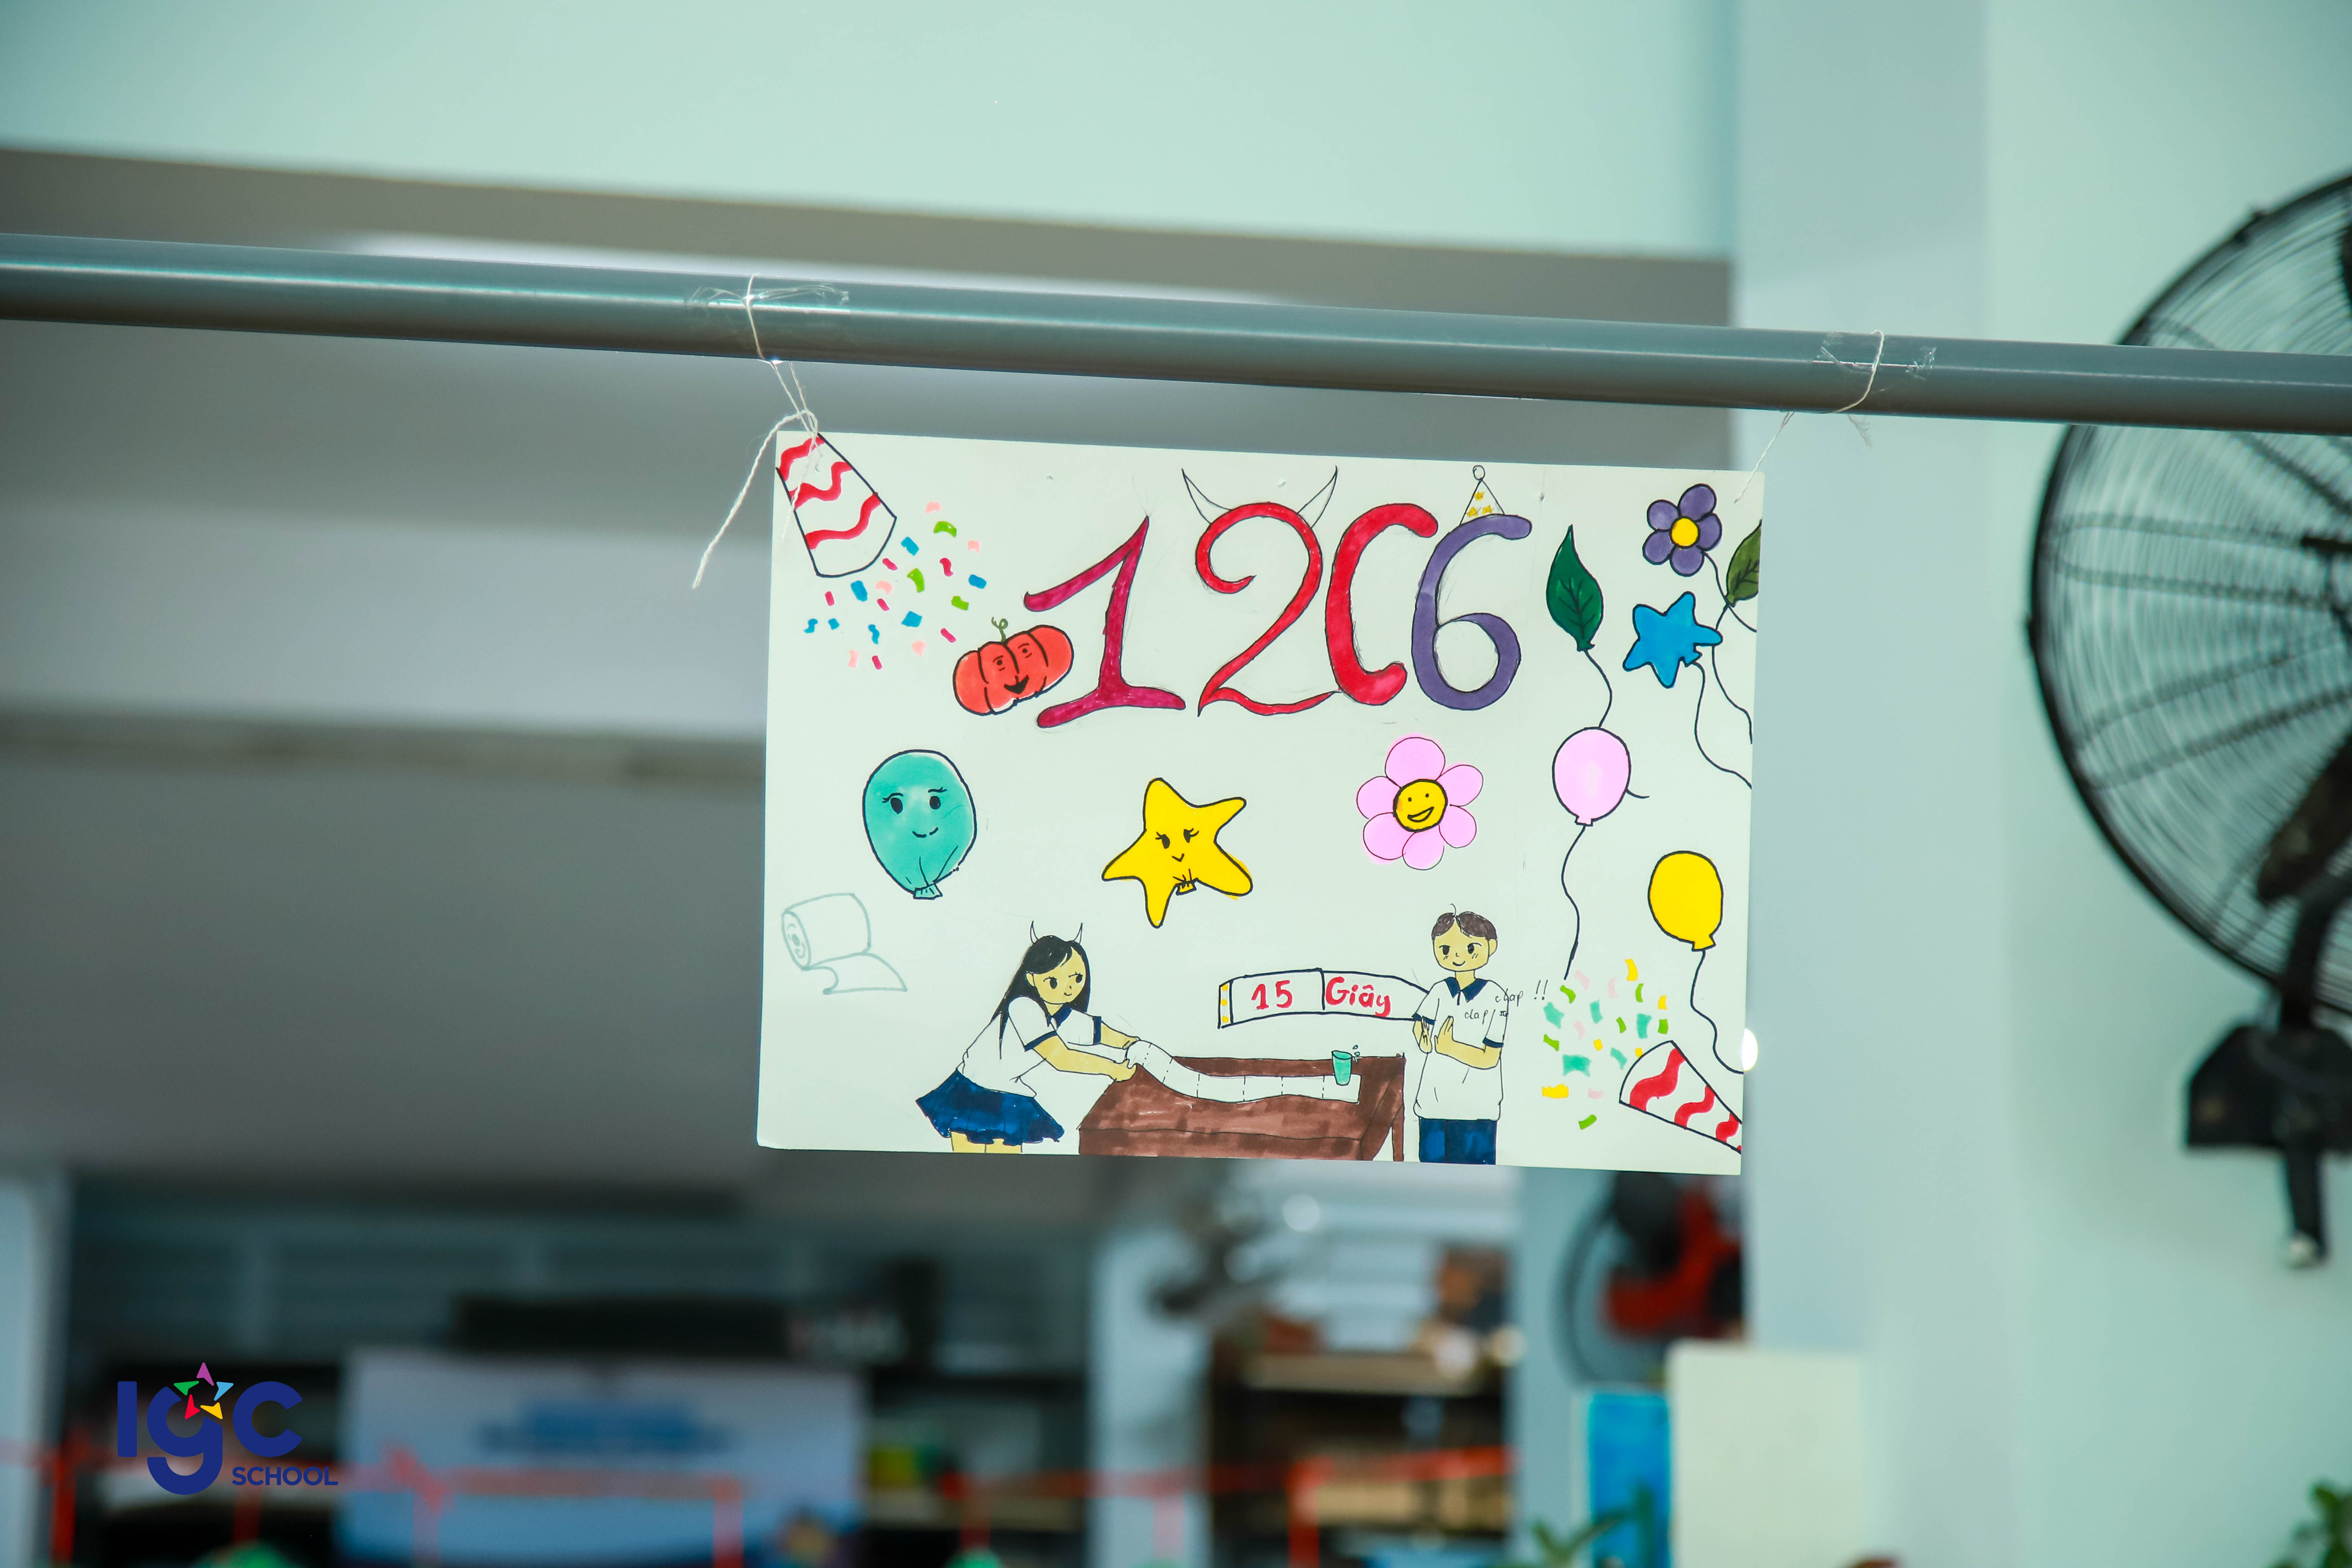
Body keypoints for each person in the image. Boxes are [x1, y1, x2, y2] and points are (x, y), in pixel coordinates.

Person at [916, 933, 1138, 1152]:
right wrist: (1112, 1069)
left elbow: (1098, 1032)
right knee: (971, 1161)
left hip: (1006, 1094)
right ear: (1032, 979)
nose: (1069, 988)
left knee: (1005, 1164)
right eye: (1054, 981)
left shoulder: (1062, 1013)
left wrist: (1130, 1043)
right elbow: (1061, 1058)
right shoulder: (1023, 1007)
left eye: (1077, 978)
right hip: (973, 1092)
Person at [1410, 911, 1509, 1164]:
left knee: (1474, 1173)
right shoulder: (1439, 991)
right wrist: (1423, 1037)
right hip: (1433, 1106)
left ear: (1491, 947)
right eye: (1445, 950)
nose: (1456, 956)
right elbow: (1421, 1023)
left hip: (1477, 1112)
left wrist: (1451, 1048)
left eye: (1470, 948)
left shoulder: (1495, 996)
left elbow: (1490, 1058)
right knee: (1430, 1172)